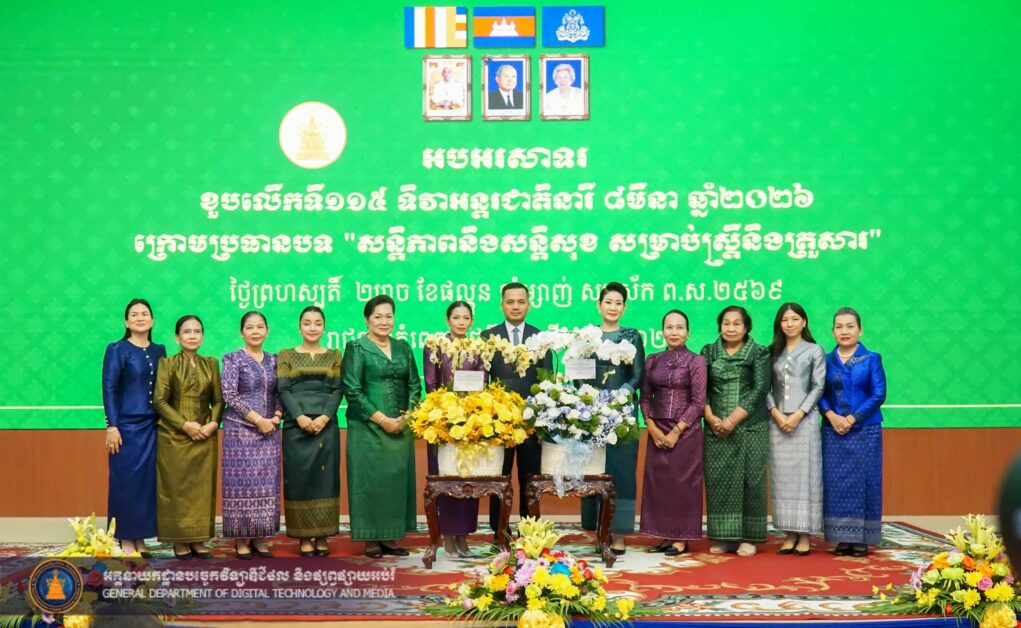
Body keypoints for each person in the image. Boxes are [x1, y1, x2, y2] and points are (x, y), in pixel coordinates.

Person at [343, 295, 422, 558]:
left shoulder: (403, 347)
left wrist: (407, 416)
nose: (384, 321)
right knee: (370, 483)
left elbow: (414, 384)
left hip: (400, 427)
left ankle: (390, 536)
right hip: (367, 428)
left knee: (394, 483)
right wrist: (382, 420)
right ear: (367, 319)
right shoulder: (356, 347)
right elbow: (352, 390)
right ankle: (371, 539)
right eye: (378, 316)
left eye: (389, 316)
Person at [481, 282, 552, 536]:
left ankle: (529, 531)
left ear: (529, 305)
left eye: (521, 302)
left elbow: (547, 381)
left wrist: (540, 421)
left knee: (529, 478)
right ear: (502, 305)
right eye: (510, 302)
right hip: (497, 422)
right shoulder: (487, 337)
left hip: (530, 422)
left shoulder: (540, 338)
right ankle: (499, 530)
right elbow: (482, 380)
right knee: (499, 477)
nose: (515, 306)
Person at [579, 282, 645, 554]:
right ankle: (598, 531)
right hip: (591, 414)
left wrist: (619, 397)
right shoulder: (587, 336)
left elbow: (638, 375)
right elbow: (578, 373)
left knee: (621, 473)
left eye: (618, 303)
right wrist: (589, 400)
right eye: (608, 302)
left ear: (624, 307)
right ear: (599, 305)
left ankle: (618, 533)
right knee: (594, 473)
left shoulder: (632, 336)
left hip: (622, 414)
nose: (613, 307)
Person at [700, 305, 771, 557]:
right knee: (720, 481)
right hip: (715, 427)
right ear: (720, 326)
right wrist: (710, 417)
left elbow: (760, 389)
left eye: (737, 323)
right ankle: (724, 537)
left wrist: (731, 420)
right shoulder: (708, 351)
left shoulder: (759, 352)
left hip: (751, 427)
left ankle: (750, 538)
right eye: (726, 323)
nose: (731, 328)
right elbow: (701, 388)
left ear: (746, 327)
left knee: (752, 481)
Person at [152, 315, 223, 559]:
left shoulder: (211, 363)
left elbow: (218, 400)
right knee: (177, 490)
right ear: (177, 337)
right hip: (174, 438)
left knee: (201, 491)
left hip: (205, 436)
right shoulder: (167, 363)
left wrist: (213, 423)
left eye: (197, 331)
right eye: (186, 331)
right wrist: (184, 425)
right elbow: (159, 401)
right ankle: (179, 541)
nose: (192, 336)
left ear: (202, 336)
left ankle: (198, 539)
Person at [818, 307, 886, 557]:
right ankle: (841, 537)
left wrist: (853, 418)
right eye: (839, 327)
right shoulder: (826, 360)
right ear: (832, 331)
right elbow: (819, 393)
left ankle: (862, 539)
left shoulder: (871, 359)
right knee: (836, 484)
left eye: (849, 326)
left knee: (866, 481)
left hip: (865, 430)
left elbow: (879, 394)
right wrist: (831, 416)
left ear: (860, 330)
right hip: (833, 431)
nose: (844, 331)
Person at [277, 306, 343, 557]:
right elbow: (283, 389)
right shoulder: (286, 355)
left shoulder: (335, 355)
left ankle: (323, 535)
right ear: (299, 326)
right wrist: (300, 417)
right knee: (299, 480)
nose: (312, 328)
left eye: (317, 323)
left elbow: (338, 389)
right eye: (307, 323)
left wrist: (325, 417)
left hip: (327, 426)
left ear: (324, 327)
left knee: (325, 481)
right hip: (296, 427)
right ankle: (303, 536)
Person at [102, 298, 166, 556]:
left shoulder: (159, 350)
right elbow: (109, 388)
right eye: (134, 314)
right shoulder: (117, 349)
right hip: (126, 427)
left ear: (152, 320)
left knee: (146, 483)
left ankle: (140, 537)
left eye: (145, 314)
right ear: (126, 322)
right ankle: (125, 537)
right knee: (125, 482)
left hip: (153, 425)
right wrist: (112, 426)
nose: (140, 318)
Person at [639, 309, 706, 556]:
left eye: (679, 327)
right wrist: (652, 427)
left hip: (686, 432)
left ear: (688, 332)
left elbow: (698, 402)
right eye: (669, 327)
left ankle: (681, 538)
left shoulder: (696, 361)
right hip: (657, 430)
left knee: (683, 484)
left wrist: (677, 430)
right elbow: (645, 398)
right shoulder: (653, 360)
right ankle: (664, 535)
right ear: (662, 331)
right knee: (659, 484)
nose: (674, 332)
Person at [423, 301, 485, 558]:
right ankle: (447, 535)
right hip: (443, 422)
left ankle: (464, 535)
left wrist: (472, 413)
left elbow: (482, 381)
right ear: (447, 320)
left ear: (472, 321)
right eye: (456, 317)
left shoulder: (478, 347)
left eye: (466, 318)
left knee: (470, 480)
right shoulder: (434, 345)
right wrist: (447, 411)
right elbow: (431, 383)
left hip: (471, 423)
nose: (461, 322)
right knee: (447, 479)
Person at [221, 311, 283, 559]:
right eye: (250, 327)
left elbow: (281, 392)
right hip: (240, 431)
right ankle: (241, 539)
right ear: (241, 332)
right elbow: (230, 395)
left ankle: (259, 537)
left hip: (270, 431)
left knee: (266, 485)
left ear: (267, 330)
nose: (255, 331)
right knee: (242, 486)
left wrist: (276, 417)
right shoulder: (232, 359)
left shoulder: (275, 360)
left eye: (260, 327)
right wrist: (258, 420)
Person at [766, 303, 825, 556]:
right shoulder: (772, 352)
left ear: (804, 322)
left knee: (805, 479)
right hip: (777, 421)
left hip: (805, 422)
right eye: (785, 320)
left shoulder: (814, 350)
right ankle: (789, 534)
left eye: (794, 319)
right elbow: (765, 388)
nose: (789, 324)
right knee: (782, 480)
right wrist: (776, 413)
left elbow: (818, 386)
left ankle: (805, 535)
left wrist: (799, 414)